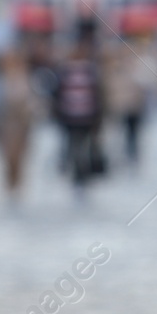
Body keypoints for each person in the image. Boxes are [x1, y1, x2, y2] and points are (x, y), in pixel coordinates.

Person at [54, 36, 104, 195]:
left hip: (82, 117)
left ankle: (80, 174)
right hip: (74, 117)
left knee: (79, 146)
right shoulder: (69, 71)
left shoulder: (88, 71)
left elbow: (97, 95)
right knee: (77, 147)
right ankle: (79, 175)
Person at [0, 49, 39, 197]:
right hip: (8, 123)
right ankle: (10, 184)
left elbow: (30, 102)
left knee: (20, 155)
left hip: (21, 123)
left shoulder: (25, 78)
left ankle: (17, 184)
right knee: (8, 156)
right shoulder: (4, 78)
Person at [104, 44, 149, 168]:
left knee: (132, 136)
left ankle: (132, 158)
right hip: (119, 109)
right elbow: (110, 91)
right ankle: (120, 159)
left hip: (133, 109)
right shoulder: (113, 71)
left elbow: (141, 90)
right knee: (118, 136)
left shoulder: (136, 70)